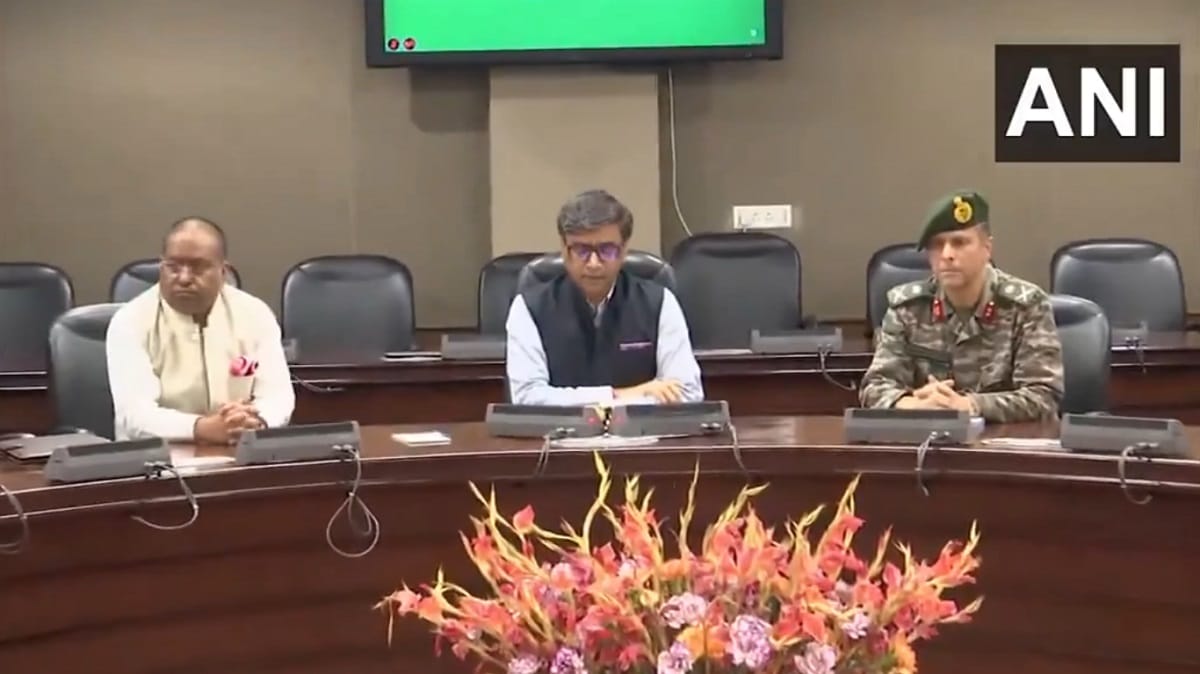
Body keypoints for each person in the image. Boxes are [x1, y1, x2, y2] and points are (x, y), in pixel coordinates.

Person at [859, 190, 1064, 423]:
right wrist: (914, 404)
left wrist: (968, 405)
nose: (947, 254)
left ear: (987, 248)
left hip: (1006, 440)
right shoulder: (908, 308)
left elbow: (1043, 397)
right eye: (937, 245)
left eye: (959, 243)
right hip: (931, 438)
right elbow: (874, 387)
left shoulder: (1026, 306)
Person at [505, 189, 704, 406]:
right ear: (564, 249)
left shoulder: (660, 302)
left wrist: (597, 400)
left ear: (624, 249)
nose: (593, 263)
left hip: (642, 428)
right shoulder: (529, 308)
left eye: (607, 250)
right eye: (581, 250)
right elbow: (527, 398)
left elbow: (688, 392)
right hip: (560, 428)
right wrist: (620, 395)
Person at [105, 217, 295, 443]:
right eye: (173, 267)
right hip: (157, 456)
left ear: (223, 271)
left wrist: (256, 421)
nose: (184, 278)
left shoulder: (255, 314)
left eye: (198, 267)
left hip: (239, 448)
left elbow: (277, 396)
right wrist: (201, 428)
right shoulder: (130, 321)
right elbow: (135, 415)